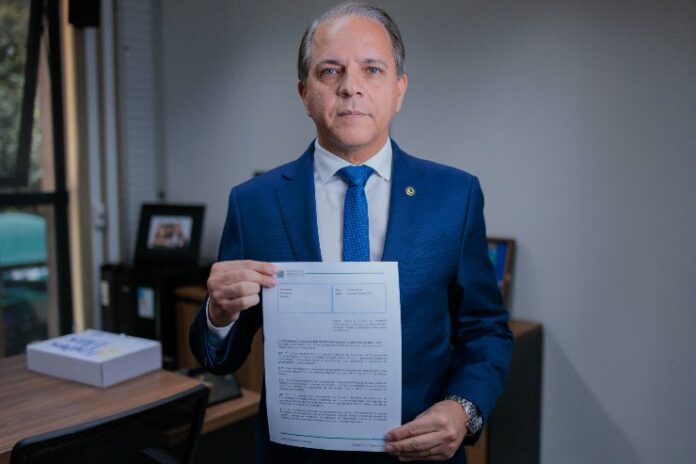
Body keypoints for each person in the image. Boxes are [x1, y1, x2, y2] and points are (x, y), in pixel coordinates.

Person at [190, 3, 512, 462]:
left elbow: (486, 330)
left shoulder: (454, 197)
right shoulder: (254, 202)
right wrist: (218, 315)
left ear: (399, 90)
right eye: (330, 71)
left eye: (372, 69)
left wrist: (464, 410)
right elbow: (218, 357)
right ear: (304, 93)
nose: (350, 87)